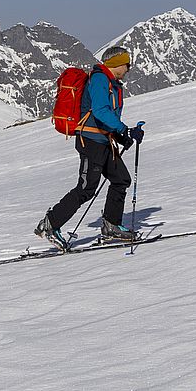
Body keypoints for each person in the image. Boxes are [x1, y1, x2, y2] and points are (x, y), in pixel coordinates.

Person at [34, 46, 145, 249]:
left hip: (103, 141)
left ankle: (111, 226)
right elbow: (100, 111)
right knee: (86, 188)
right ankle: (49, 224)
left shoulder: (112, 83)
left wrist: (122, 137)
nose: (128, 68)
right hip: (91, 142)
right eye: (126, 64)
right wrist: (124, 130)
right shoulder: (100, 79)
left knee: (121, 179)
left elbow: (103, 118)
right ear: (116, 63)